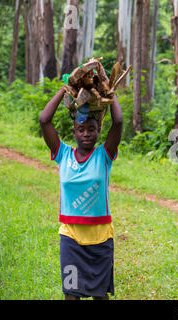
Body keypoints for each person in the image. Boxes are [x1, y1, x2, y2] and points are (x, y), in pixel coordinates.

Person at [39, 85, 123, 300]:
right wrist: (63, 91)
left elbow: (119, 122)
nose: (86, 134)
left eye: (92, 129)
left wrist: (109, 93)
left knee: (100, 296)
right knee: (71, 294)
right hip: (71, 238)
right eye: (81, 129)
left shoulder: (104, 155)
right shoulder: (62, 154)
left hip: (101, 238)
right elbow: (44, 120)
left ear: (98, 131)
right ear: (74, 131)